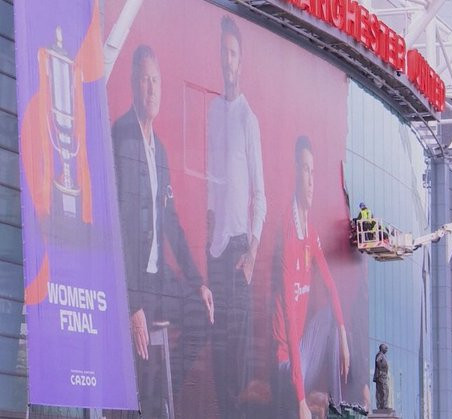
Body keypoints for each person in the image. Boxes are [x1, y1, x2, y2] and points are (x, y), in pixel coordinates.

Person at [112, 44, 214, 418]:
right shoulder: (122, 137)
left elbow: (170, 223)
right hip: (134, 283)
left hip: (158, 281)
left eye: (156, 81)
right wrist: (133, 302)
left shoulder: (160, 150)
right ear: (133, 84)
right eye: (144, 80)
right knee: (138, 358)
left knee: (201, 312)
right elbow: (120, 225)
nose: (151, 89)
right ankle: (146, 401)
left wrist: (198, 281)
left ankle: (156, 398)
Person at [206, 15, 267, 418]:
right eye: (223, 53)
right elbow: (210, 184)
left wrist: (253, 255)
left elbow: (261, 196)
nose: (227, 61)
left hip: (241, 250)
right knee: (218, 349)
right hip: (216, 249)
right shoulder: (212, 111)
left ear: (240, 62)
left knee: (239, 353)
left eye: (233, 53)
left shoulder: (249, 119)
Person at [273, 136, 350, 419]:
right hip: (286, 363)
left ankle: (336, 409)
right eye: (305, 170)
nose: (310, 180)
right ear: (295, 172)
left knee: (331, 317)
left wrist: (342, 333)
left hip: (302, 356)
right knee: (306, 330)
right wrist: (301, 399)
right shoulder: (287, 233)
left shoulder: (312, 233)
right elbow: (292, 325)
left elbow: (330, 284)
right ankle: (316, 405)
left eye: (313, 172)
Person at [373, 344, 389, 410]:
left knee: (385, 390)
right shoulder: (380, 354)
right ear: (382, 348)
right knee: (383, 391)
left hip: (383, 376)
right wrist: (381, 370)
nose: (387, 349)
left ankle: (383, 405)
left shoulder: (383, 355)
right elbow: (377, 361)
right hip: (381, 376)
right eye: (386, 348)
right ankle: (383, 406)